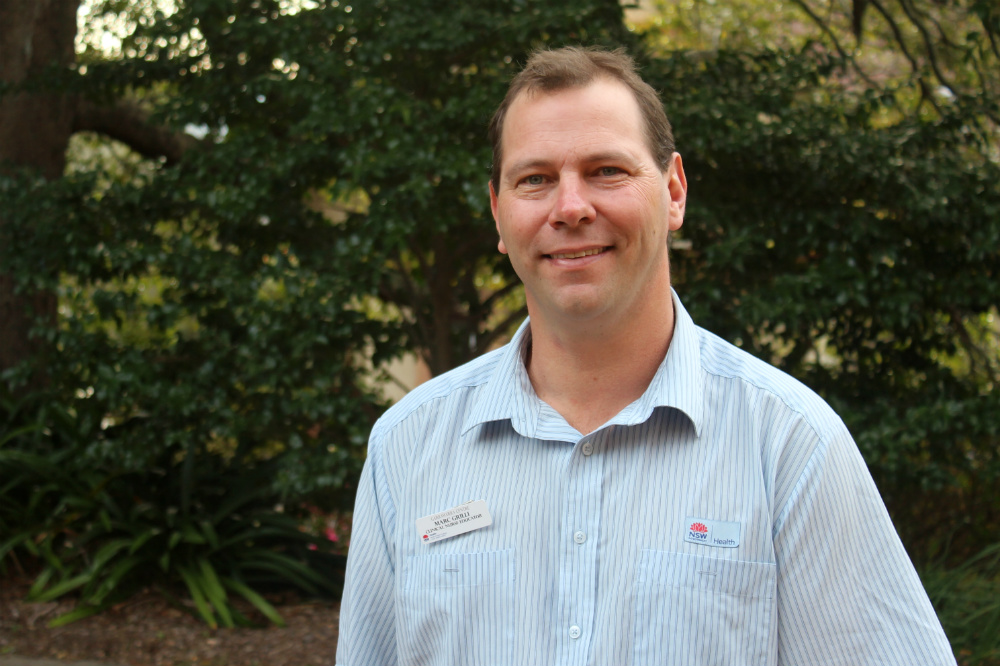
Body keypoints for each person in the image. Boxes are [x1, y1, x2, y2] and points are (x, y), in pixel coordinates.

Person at [335, 46, 955, 666]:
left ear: (674, 191)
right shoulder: (406, 448)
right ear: (499, 212)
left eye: (607, 170)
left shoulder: (791, 444)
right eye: (535, 179)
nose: (571, 207)